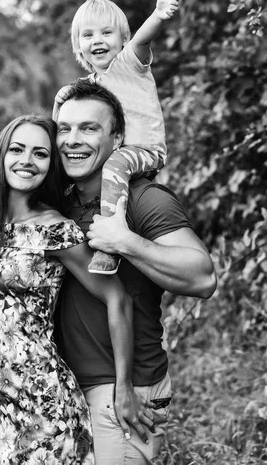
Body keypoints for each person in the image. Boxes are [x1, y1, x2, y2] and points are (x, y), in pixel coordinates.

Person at [0, 114, 143, 465]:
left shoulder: (54, 230)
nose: (26, 161)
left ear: (51, 165)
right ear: (1, 155)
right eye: (17, 149)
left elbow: (117, 298)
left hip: (43, 400)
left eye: (40, 153)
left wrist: (124, 385)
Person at [54, 80, 217, 465]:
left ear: (118, 138)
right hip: (67, 388)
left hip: (126, 395)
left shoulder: (144, 198)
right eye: (65, 128)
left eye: (89, 128)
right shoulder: (60, 202)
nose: (73, 140)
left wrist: (124, 241)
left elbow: (202, 277)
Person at [53, 0, 179, 274]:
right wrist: (61, 97)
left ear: (123, 39)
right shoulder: (90, 85)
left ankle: (111, 238)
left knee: (115, 162)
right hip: (118, 160)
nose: (97, 40)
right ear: (78, 46)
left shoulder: (129, 65)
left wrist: (158, 16)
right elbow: (61, 124)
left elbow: (143, 39)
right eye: (88, 35)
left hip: (146, 151)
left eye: (106, 33)